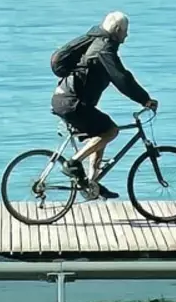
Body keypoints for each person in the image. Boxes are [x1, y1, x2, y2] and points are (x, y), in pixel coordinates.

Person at [51, 11, 157, 199]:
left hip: (65, 99)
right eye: (125, 30)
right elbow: (122, 78)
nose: (127, 35)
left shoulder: (94, 41)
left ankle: (92, 183)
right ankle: (73, 162)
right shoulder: (104, 49)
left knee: (101, 132)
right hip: (72, 103)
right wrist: (145, 99)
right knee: (111, 131)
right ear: (116, 29)